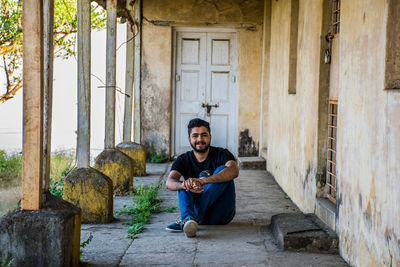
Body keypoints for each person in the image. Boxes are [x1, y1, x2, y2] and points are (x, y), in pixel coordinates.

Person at [165, 118, 239, 237]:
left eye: (204, 135)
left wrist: (203, 181)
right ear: (189, 139)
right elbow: (169, 182)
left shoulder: (222, 154)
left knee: (223, 171)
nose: (200, 139)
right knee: (184, 184)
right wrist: (184, 184)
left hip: (220, 214)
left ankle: (187, 219)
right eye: (195, 136)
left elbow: (234, 171)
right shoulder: (183, 159)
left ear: (210, 136)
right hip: (199, 218)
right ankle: (189, 220)